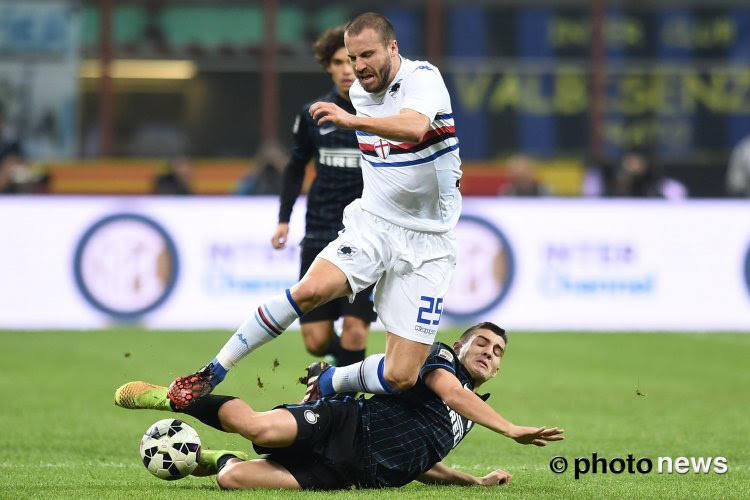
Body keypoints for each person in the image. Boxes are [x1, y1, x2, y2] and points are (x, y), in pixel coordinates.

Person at [167, 12, 463, 410]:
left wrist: (350, 119)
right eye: (352, 57)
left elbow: (413, 128)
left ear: (393, 48)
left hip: (430, 242)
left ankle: (332, 379)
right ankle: (213, 370)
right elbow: (299, 163)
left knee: (400, 375)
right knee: (309, 291)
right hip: (374, 224)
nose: (358, 67)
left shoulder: (423, 77)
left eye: (367, 55)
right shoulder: (360, 92)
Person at [115, 322, 564, 490]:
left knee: (234, 479)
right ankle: (171, 396)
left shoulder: (462, 421)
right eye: (481, 343)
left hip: (349, 474)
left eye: (498, 351)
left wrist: (476, 482)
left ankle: (205, 459)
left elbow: (421, 464)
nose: (489, 352)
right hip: (345, 425)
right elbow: (451, 393)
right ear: (461, 346)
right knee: (261, 430)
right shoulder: (440, 358)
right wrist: (510, 430)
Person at [269, 26, 375, 368]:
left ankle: (343, 403)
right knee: (315, 342)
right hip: (320, 231)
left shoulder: (380, 115)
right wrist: (284, 219)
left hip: (368, 236)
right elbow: (295, 167)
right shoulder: (313, 113)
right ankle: (334, 368)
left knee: (356, 332)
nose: (346, 69)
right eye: (337, 61)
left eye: (353, 61)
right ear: (327, 66)